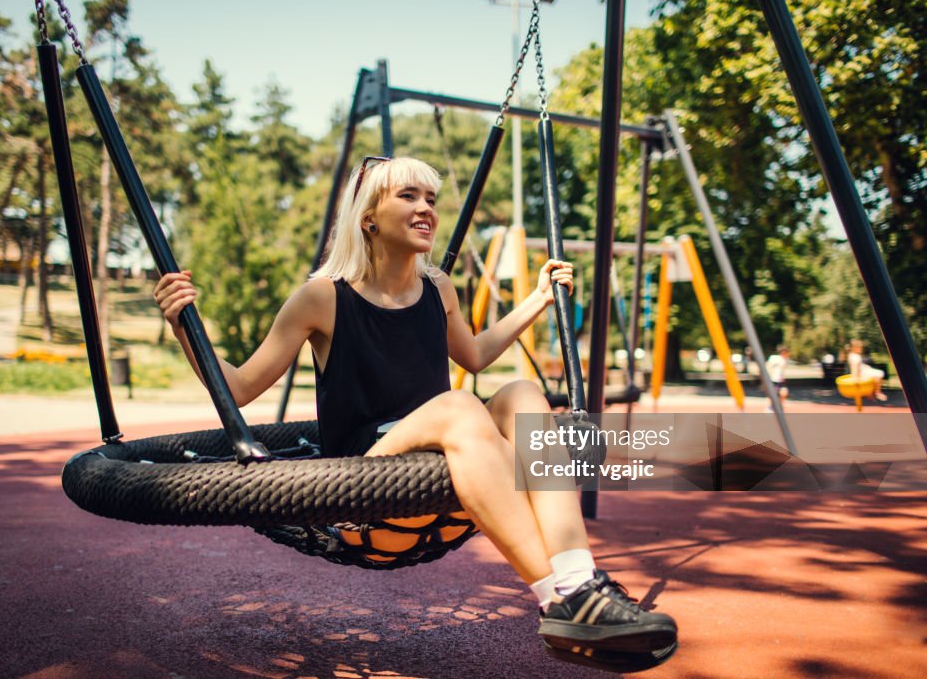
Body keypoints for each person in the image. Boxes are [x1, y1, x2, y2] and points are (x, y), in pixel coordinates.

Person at [154, 156, 677, 665]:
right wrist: (185, 328)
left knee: (519, 394)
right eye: (408, 195)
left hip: (440, 456)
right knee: (459, 406)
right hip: (364, 483)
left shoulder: (439, 288)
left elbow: (473, 355)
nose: (426, 207)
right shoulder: (322, 298)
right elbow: (241, 388)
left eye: (431, 197)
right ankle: (560, 597)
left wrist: (538, 300)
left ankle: (576, 577)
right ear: (368, 218)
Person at [766, 344, 790, 410]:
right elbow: (768, 366)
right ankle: (770, 407)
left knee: (784, 392)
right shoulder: (774, 358)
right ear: (783, 352)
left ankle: (779, 405)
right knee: (773, 395)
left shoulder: (785, 360)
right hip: (773, 380)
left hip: (781, 381)